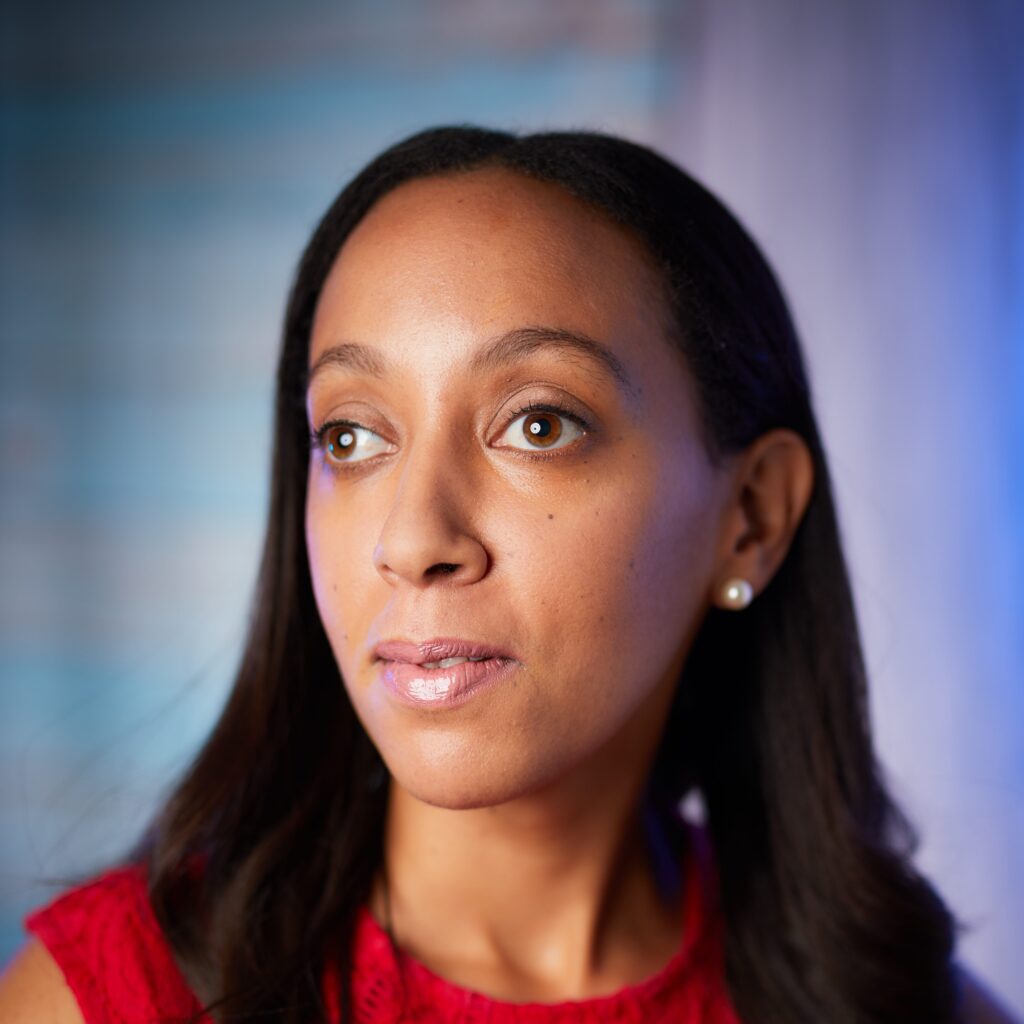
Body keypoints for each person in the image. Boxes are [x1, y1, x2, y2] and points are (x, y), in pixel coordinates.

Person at [0, 126, 1017, 1024]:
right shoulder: (111, 999)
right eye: (350, 435)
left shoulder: (897, 1004)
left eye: (537, 423)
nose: (412, 537)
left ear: (748, 518)